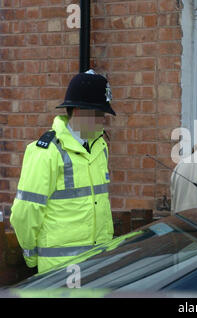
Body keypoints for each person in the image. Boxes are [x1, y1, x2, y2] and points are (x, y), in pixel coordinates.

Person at [10, 70, 116, 273]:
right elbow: (25, 213)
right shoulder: (46, 152)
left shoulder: (100, 146)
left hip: (97, 269)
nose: (103, 119)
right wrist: (32, 258)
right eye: (98, 113)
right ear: (77, 110)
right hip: (59, 274)